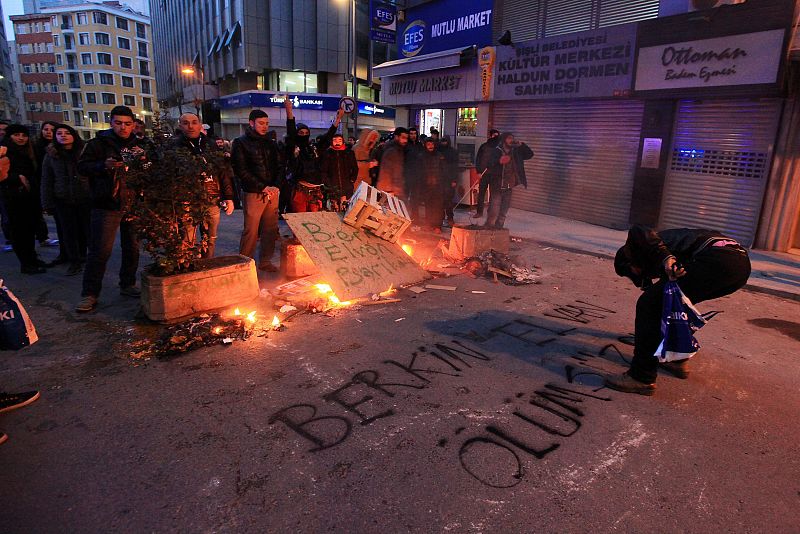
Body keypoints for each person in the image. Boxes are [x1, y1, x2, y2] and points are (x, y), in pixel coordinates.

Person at [606, 225, 751, 395]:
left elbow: (639, 228)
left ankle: (641, 377)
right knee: (672, 304)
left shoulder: (651, 242)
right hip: (739, 268)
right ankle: (676, 359)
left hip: (718, 260)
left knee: (649, 305)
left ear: (631, 258)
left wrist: (666, 257)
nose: (638, 274)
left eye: (632, 271)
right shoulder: (661, 251)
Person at [75, 106, 150, 312]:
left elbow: (152, 169)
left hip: (134, 202)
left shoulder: (141, 144)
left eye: (127, 124)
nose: (123, 127)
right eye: (118, 123)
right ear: (111, 123)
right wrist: (103, 166)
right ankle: (89, 293)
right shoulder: (98, 144)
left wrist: (144, 162)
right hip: (106, 203)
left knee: (132, 247)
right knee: (100, 250)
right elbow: (82, 167)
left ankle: (127, 284)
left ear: (134, 124)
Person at [170, 113, 235, 258]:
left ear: (200, 125)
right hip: (186, 201)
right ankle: (189, 268)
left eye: (194, 122)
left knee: (210, 239)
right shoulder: (174, 147)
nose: (190, 126)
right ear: (180, 126)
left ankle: (208, 264)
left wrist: (229, 197)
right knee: (187, 239)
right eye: (186, 123)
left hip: (211, 199)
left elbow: (222, 172)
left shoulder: (210, 145)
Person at [231, 109, 281, 272]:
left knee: (270, 229)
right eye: (261, 123)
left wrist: (275, 186)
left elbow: (278, 167)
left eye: (266, 123)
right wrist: (263, 187)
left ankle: (265, 261)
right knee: (251, 231)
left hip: (272, 192)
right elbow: (241, 170)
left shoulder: (271, 143)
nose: (264, 126)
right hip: (253, 193)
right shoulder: (240, 142)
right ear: (251, 123)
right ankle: (244, 264)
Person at [40, 124, 91, 276]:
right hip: (62, 198)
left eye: (67, 133)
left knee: (85, 230)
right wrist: (46, 202)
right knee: (69, 231)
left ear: (73, 135)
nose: (63, 136)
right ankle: (74, 260)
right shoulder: (51, 155)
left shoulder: (84, 152)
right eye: (59, 133)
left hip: (84, 197)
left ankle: (84, 257)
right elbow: (47, 179)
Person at [0, 124, 47, 274]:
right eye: (16, 135)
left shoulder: (28, 150)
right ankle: (26, 264)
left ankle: (32, 258)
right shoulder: (4, 151)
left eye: (24, 135)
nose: (21, 138)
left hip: (29, 196)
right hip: (14, 197)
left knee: (29, 229)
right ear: (10, 136)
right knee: (19, 232)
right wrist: (17, 178)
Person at [483, 132, 533, 229]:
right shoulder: (496, 151)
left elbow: (530, 155)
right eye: (509, 138)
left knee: (503, 212)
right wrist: (499, 161)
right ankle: (488, 229)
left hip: (509, 186)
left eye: (512, 138)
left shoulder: (516, 152)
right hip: (497, 185)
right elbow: (488, 164)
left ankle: (498, 230)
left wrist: (522, 145)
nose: (511, 140)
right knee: (494, 210)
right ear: (503, 140)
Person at [33, 121, 62, 251]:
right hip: (41, 184)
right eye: (45, 129)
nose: (48, 132)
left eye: (52, 129)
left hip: (60, 187)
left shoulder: (62, 147)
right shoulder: (35, 147)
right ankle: (43, 237)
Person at [319, 133, 358, 211]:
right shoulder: (327, 153)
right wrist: (327, 182)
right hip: (332, 186)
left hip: (346, 185)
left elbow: (355, 168)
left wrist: (352, 179)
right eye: (335, 140)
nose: (337, 142)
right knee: (334, 208)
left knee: (346, 208)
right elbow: (323, 170)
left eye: (339, 140)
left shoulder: (349, 153)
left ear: (343, 141)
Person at [418, 138, 447, 232]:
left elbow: (444, 170)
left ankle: (437, 226)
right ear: (425, 145)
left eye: (432, 144)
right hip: (427, 186)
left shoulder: (439, 156)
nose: (430, 146)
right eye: (428, 144)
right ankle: (429, 224)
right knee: (428, 206)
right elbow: (419, 171)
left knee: (438, 207)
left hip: (438, 186)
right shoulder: (421, 156)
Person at [474, 128, 500, 218]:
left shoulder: (499, 148)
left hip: (495, 174)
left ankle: (491, 212)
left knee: (493, 194)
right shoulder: (484, 146)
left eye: (497, 136)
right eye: (494, 135)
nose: (496, 137)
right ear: (490, 136)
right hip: (484, 174)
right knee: (481, 193)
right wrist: (478, 171)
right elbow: (478, 159)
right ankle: (479, 212)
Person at [377, 127, 409, 198]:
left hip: (391, 189)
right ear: (396, 137)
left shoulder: (398, 149)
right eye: (403, 137)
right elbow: (387, 172)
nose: (405, 140)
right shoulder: (393, 151)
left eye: (406, 138)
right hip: (390, 190)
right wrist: (392, 190)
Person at [438, 135, 459, 226]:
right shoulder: (438, 151)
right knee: (440, 200)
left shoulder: (453, 152)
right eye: (442, 141)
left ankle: (450, 217)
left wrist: (454, 180)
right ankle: (440, 217)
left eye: (445, 141)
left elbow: (455, 167)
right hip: (439, 179)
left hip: (449, 179)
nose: (444, 143)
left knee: (448, 200)